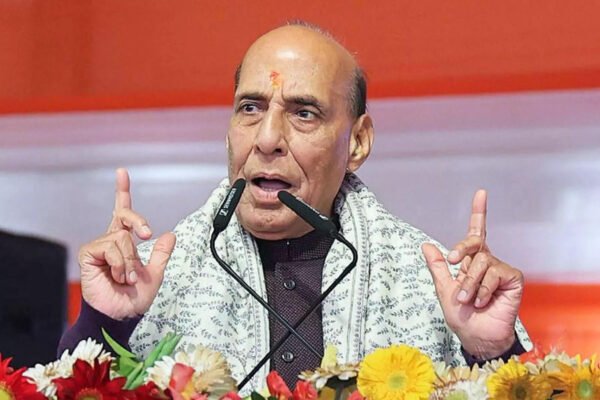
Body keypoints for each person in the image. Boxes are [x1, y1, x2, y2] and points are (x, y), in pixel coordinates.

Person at [59, 22, 530, 390]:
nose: (267, 139)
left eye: (304, 113)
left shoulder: (438, 286)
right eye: (250, 108)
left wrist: (495, 353)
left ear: (358, 142)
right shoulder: (151, 279)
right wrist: (102, 322)